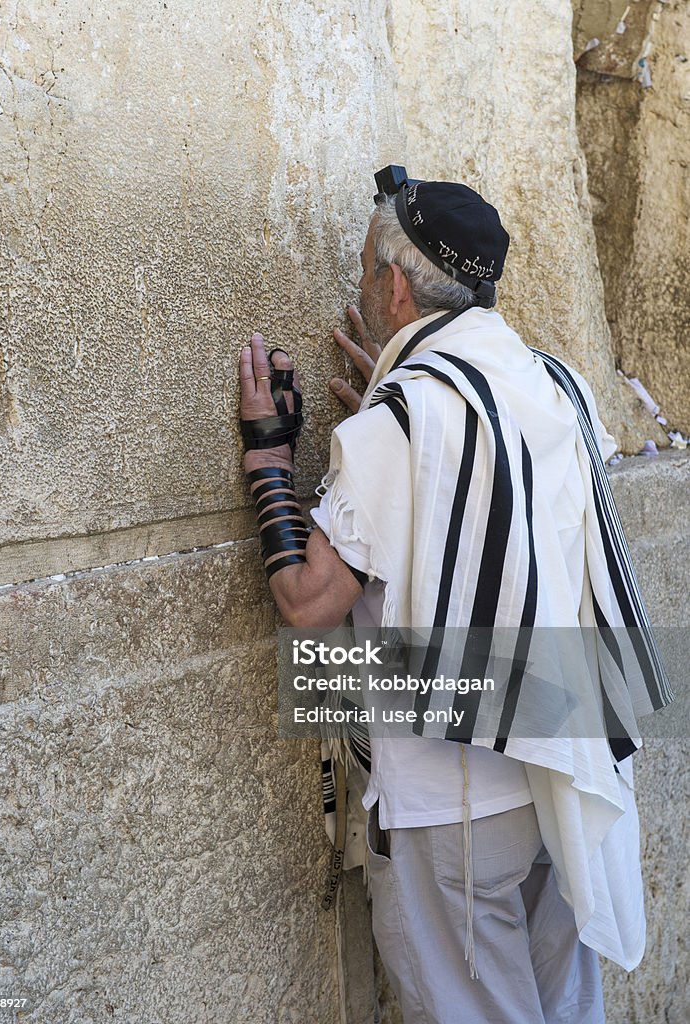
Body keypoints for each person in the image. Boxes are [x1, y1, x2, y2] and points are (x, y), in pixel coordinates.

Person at [238, 171, 672, 1024]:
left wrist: (268, 464)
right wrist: (394, 416)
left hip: (453, 810)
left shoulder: (400, 425)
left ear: (395, 285)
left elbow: (310, 604)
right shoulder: (555, 383)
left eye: (366, 269)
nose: (362, 285)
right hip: (566, 772)